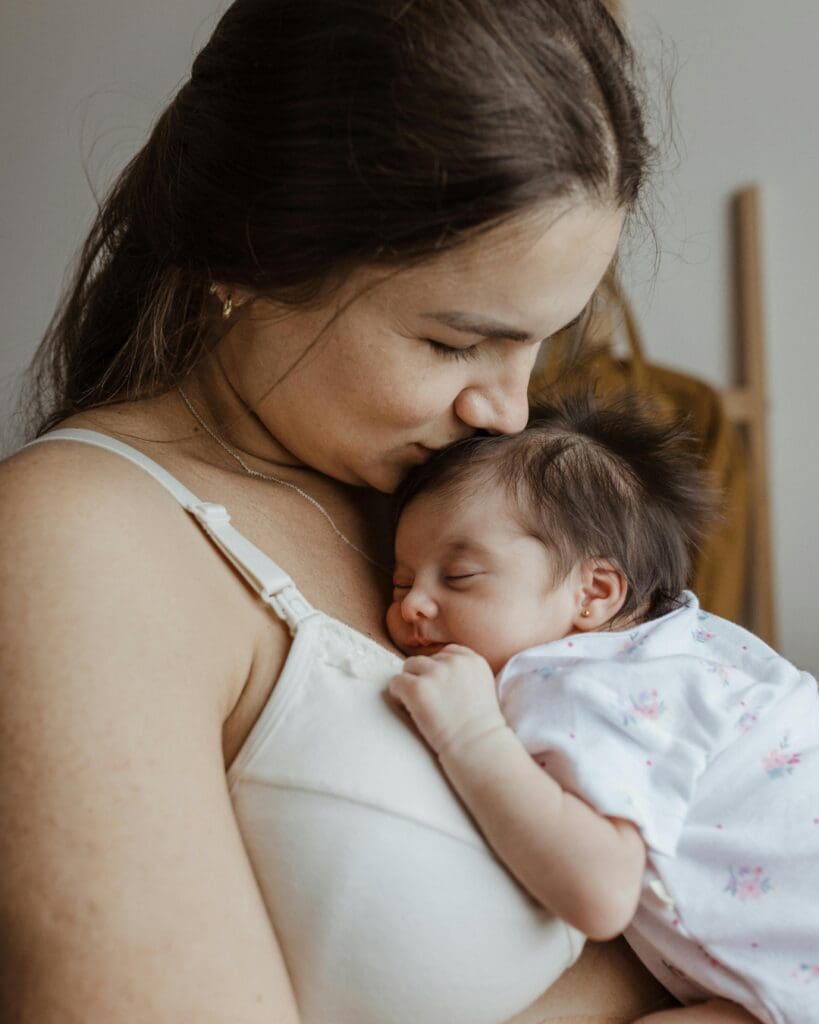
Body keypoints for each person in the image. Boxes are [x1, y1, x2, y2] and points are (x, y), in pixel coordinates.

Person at [0, 1, 723, 1020]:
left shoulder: (453, 505)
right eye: (452, 343)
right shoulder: (81, 541)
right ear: (250, 254)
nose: (508, 409)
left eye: (539, 343)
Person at [387, 393, 819, 1024]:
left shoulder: (581, 679)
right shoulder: (688, 643)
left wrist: (469, 733)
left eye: (459, 577)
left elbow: (600, 893)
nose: (412, 606)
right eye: (400, 581)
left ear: (592, 593)